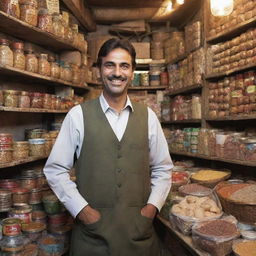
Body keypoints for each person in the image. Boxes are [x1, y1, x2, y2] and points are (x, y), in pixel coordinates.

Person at [43, 38, 173, 256]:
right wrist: (83, 212)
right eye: (110, 65)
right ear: (99, 70)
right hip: (92, 239)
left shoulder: (148, 117)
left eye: (124, 66)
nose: (117, 73)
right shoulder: (78, 116)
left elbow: (163, 168)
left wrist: (151, 209)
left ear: (132, 72)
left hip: (139, 236)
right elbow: (55, 170)